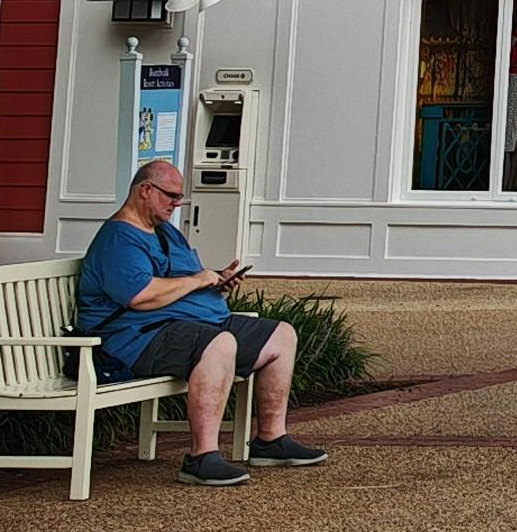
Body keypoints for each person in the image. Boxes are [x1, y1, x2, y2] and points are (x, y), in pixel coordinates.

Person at [75, 157, 329, 485]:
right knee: (219, 344)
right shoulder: (119, 239)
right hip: (136, 338)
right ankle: (201, 457)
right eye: (170, 196)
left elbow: (184, 277)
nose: (177, 204)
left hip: (189, 326)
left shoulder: (164, 232)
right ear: (145, 190)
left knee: (281, 335)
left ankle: (270, 440)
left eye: (180, 197)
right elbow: (141, 296)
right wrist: (198, 281)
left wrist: (216, 282)